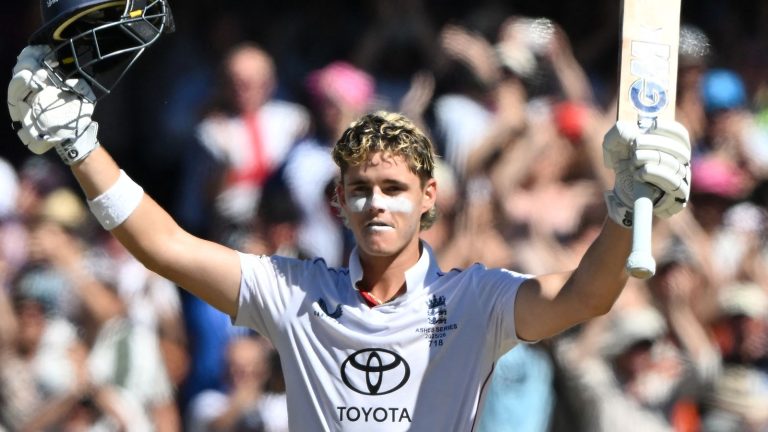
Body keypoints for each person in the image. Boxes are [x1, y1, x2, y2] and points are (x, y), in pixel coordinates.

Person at [8, 25, 692, 431]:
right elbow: (164, 247)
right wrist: (78, 144)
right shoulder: (292, 291)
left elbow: (585, 295)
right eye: (359, 190)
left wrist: (626, 208)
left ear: (428, 198)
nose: (375, 205)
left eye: (394, 189)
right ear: (337, 201)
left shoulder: (476, 298)